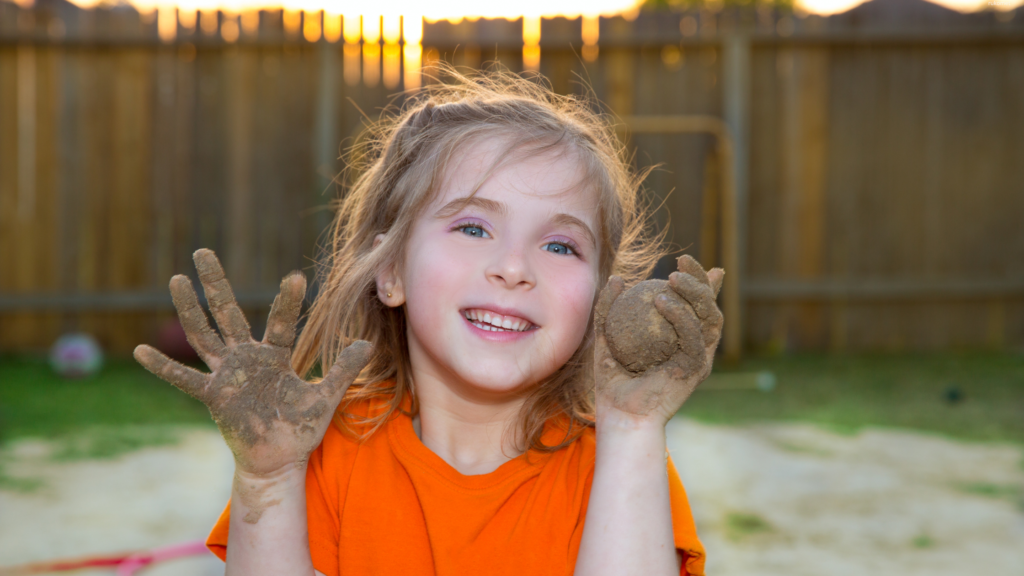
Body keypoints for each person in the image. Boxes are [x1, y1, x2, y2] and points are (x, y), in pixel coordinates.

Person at [133, 66, 724, 576]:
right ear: (390, 270)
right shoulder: (322, 451)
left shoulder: (620, 460)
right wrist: (266, 482)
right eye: (473, 228)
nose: (515, 267)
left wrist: (634, 427)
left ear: (599, 299)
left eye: (561, 246)